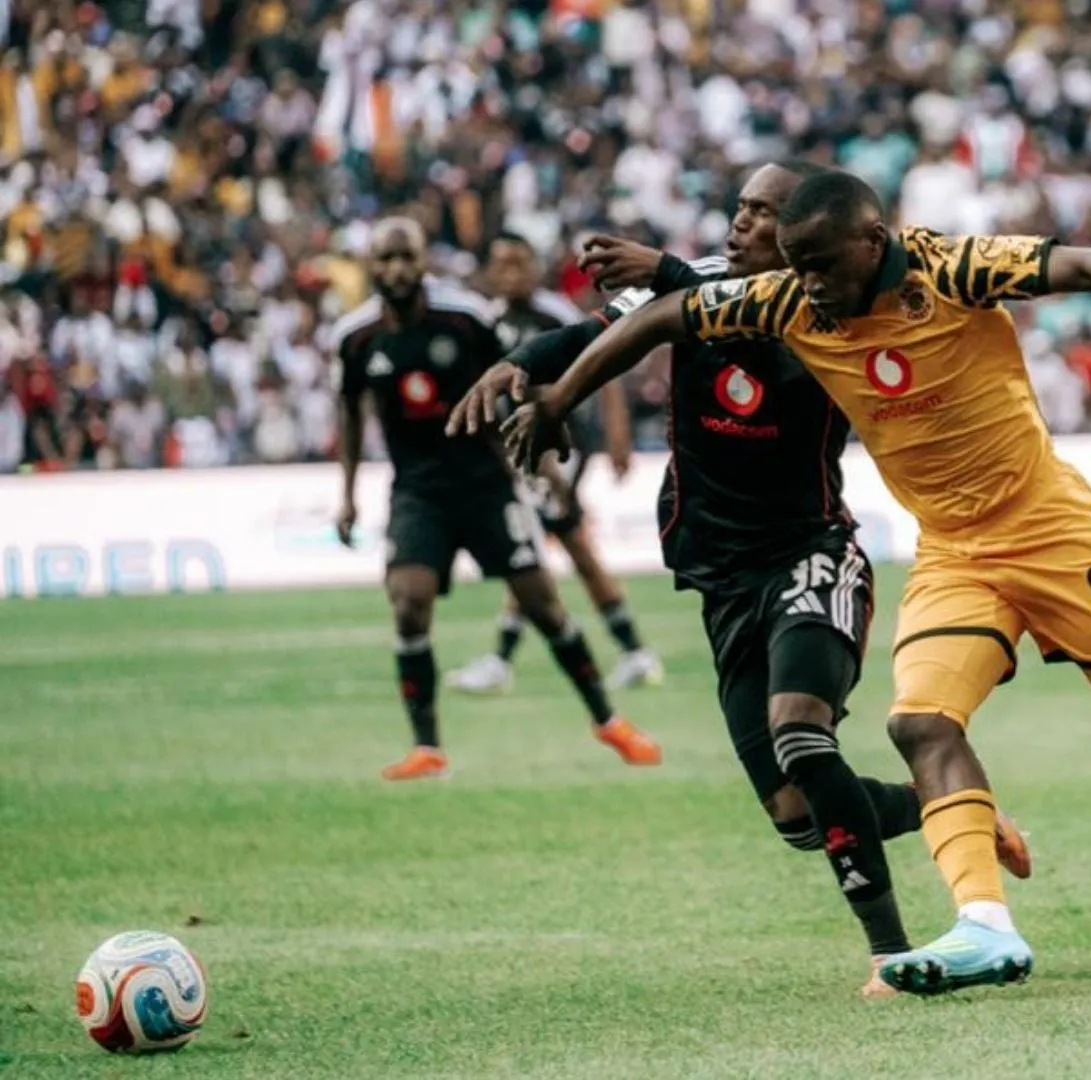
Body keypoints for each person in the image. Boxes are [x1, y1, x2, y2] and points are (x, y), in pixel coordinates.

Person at [466, 168, 1091, 997]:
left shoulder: (951, 269)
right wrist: (555, 399)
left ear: (874, 243)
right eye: (793, 263)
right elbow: (662, 318)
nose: (807, 285)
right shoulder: (787, 300)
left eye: (821, 264)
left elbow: (1077, 263)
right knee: (921, 724)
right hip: (953, 550)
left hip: (1049, 527)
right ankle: (985, 924)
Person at [465, 162, 1032, 997]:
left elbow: (760, 335)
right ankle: (948, 806)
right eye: (738, 209)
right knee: (798, 815)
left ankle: (889, 952)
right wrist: (521, 366)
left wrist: (665, 274)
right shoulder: (692, 282)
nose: (739, 226)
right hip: (723, 579)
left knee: (803, 735)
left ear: (807, 236)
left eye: (762, 215)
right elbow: (602, 329)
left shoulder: (837, 309)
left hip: (812, 556)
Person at [332, 216, 662, 781]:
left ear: (423, 262)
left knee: (543, 604)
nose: (397, 270)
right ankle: (427, 747)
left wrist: (545, 441)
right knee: (409, 601)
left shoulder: (465, 319)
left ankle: (609, 722)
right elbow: (350, 414)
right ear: (371, 267)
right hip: (417, 491)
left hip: (487, 483)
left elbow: (521, 378)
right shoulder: (356, 337)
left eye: (406, 257)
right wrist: (347, 495)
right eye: (385, 260)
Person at [447, 232, 665, 696]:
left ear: (535, 267)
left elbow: (605, 366)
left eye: (520, 263)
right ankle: (631, 651)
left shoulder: (556, 315)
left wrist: (617, 434)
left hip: (556, 450)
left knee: (552, 545)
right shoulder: (487, 322)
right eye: (502, 265)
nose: (511, 274)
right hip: (515, 454)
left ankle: (509, 660)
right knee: (553, 548)